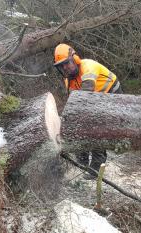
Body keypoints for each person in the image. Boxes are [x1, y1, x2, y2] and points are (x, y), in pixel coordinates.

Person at [53, 43, 122, 172]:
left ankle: (96, 166)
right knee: (78, 125)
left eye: (67, 63)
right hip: (94, 98)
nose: (65, 68)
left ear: (75, 59)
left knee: (95, 126)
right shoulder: (69, 80)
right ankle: (81, 162)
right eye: (61, 66)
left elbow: (86, 96)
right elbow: (74, 103)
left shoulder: (87, 67)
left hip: (111, 94)